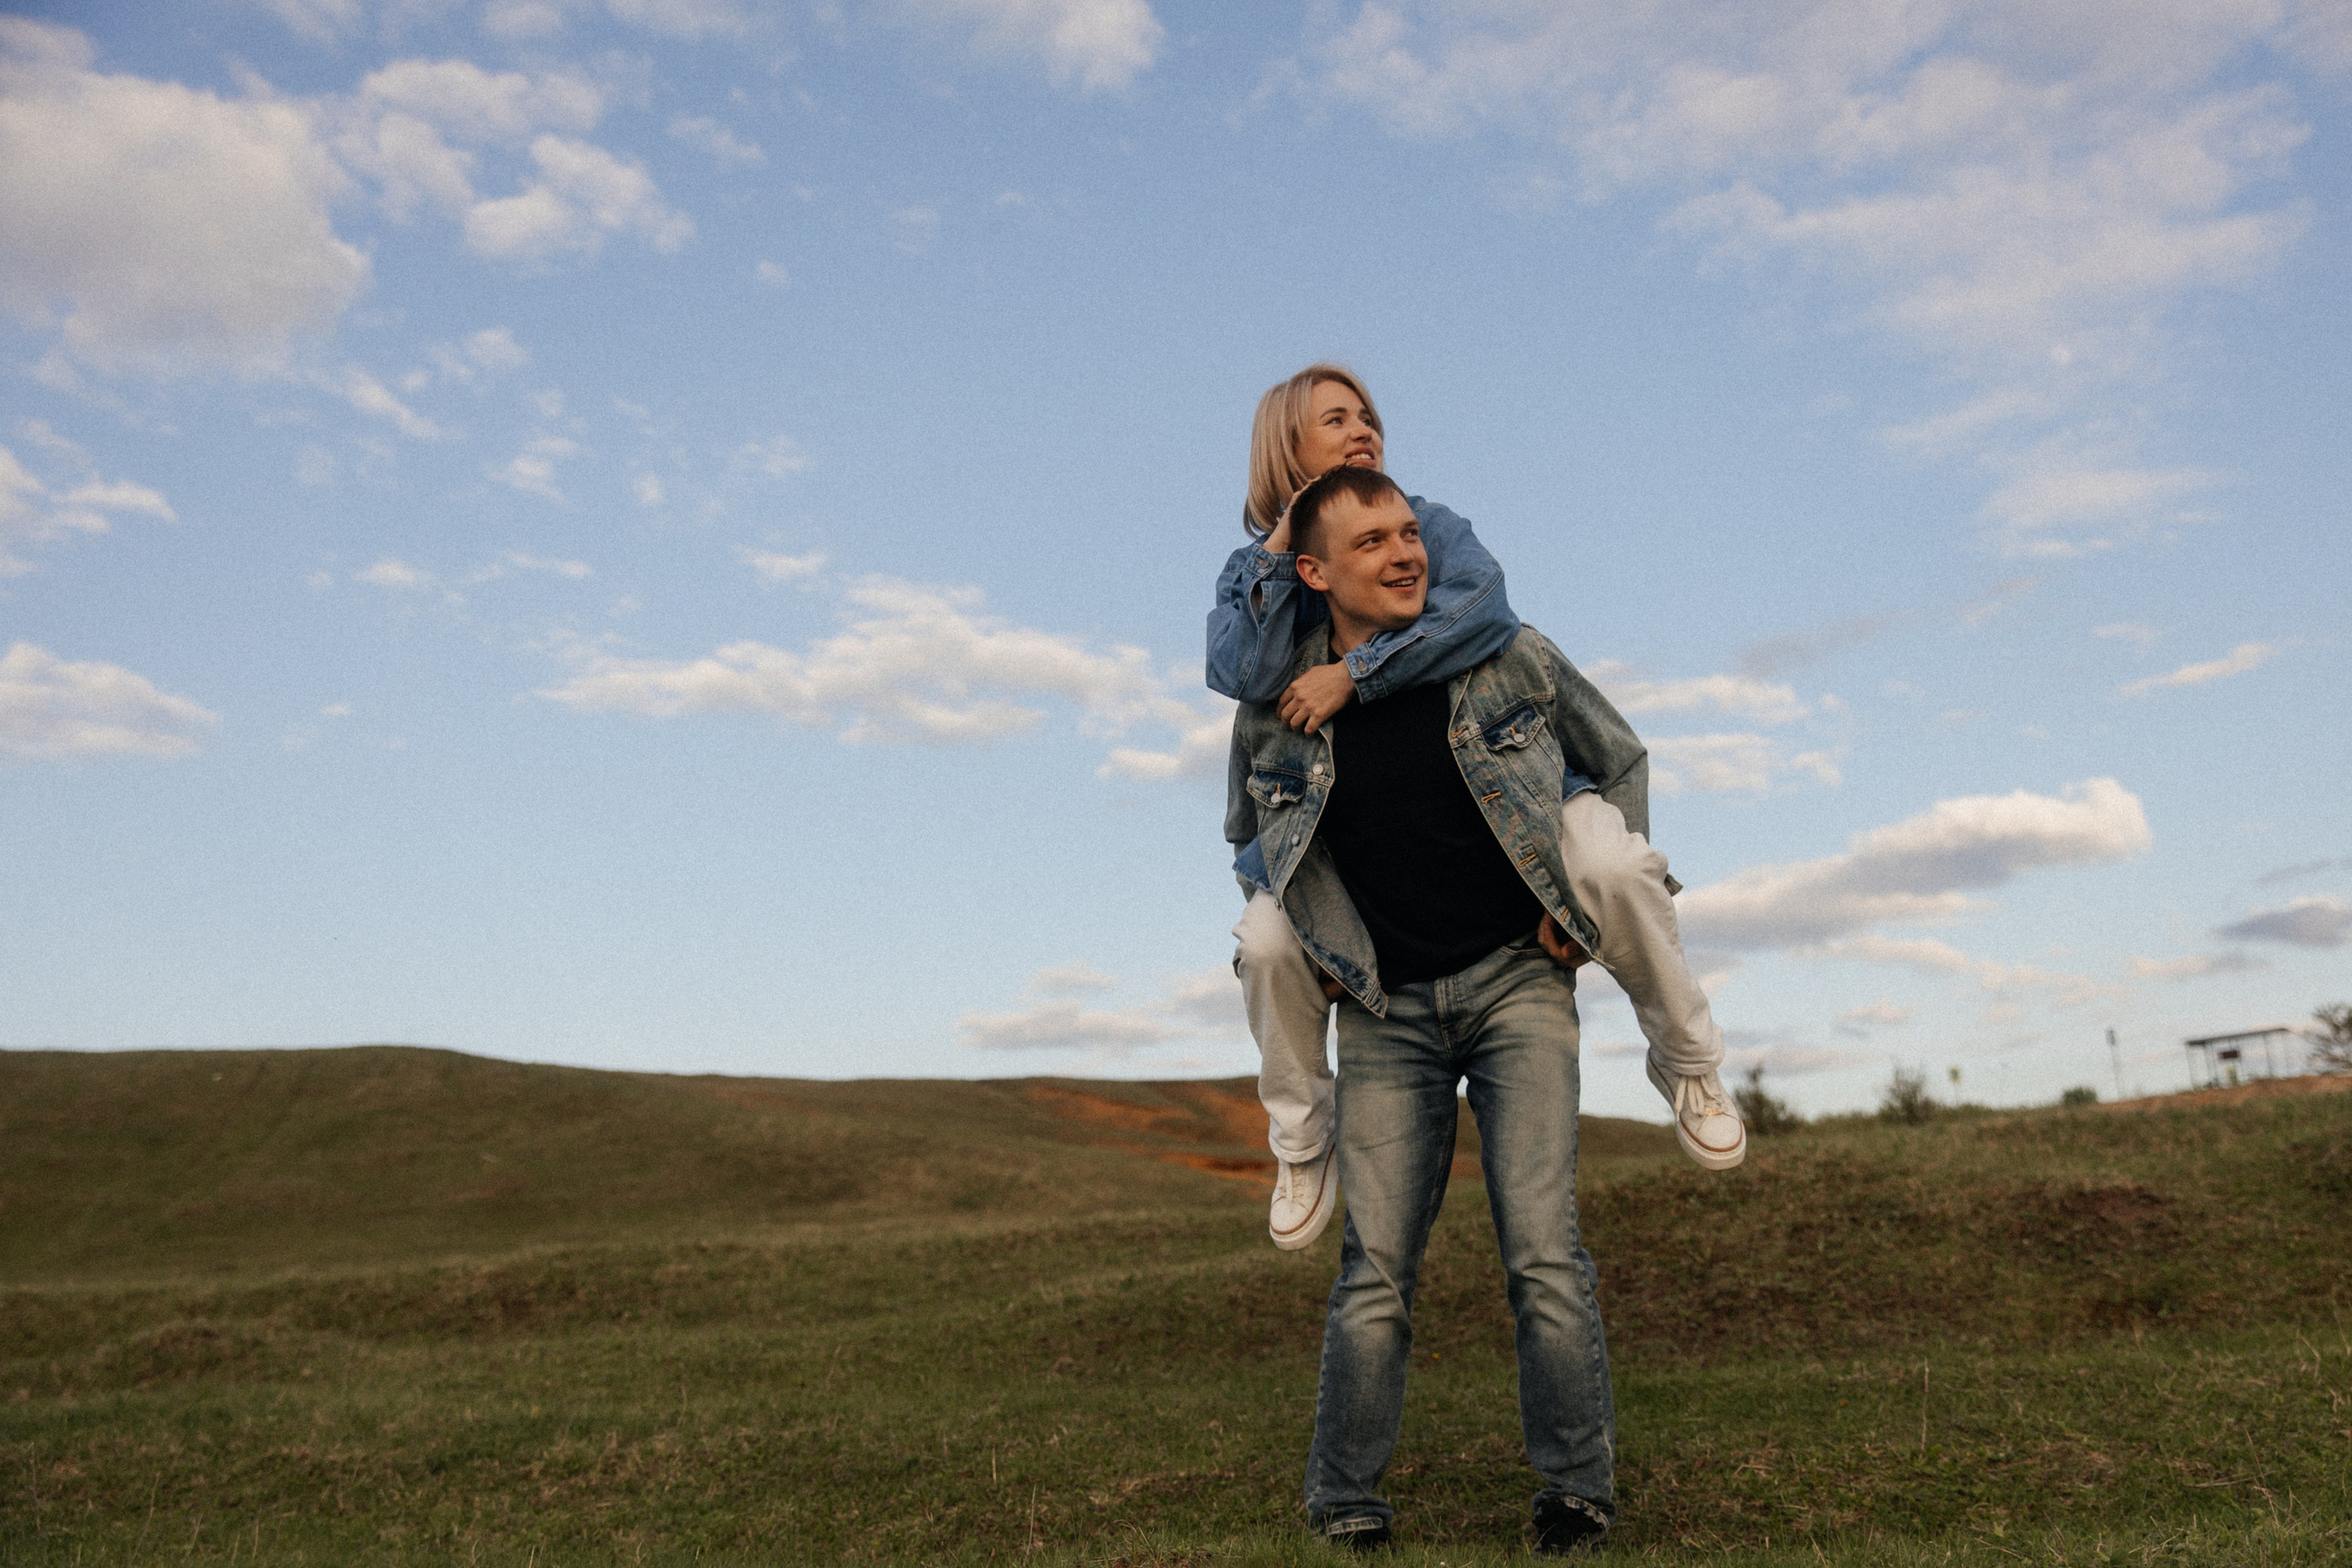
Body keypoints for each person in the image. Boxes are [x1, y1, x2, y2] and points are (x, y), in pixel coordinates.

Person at [1209, 365, 1742, 1254]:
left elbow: (1486, 611)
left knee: (1612, 865)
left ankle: (1689, 1064)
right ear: (1284, 449)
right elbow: (1244, 676)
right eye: (1334, 419)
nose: (1362, 428)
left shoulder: (1429, 527)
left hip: (1528, 801)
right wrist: (1276, 554)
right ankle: (1302, 1143)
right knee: (1264, 944)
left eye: (1369, 414)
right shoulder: (1264, 576)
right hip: (1345, 863)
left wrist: (1358, 673)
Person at [1232, 462, 1629, 1551]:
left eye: (1409, 532)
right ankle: (1344, 1497)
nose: (1405, 553)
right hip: (1385, 1011)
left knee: (1543, 1250)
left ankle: (1575, 1488)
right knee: (1376, 1270)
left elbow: (1619, 759)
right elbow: (1246, 839)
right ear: (1314, 573)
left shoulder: (1502, 651)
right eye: (1372, 543)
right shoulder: (1281, 706)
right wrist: (1305, 931)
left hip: (1517, 984)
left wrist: (1583, 900)